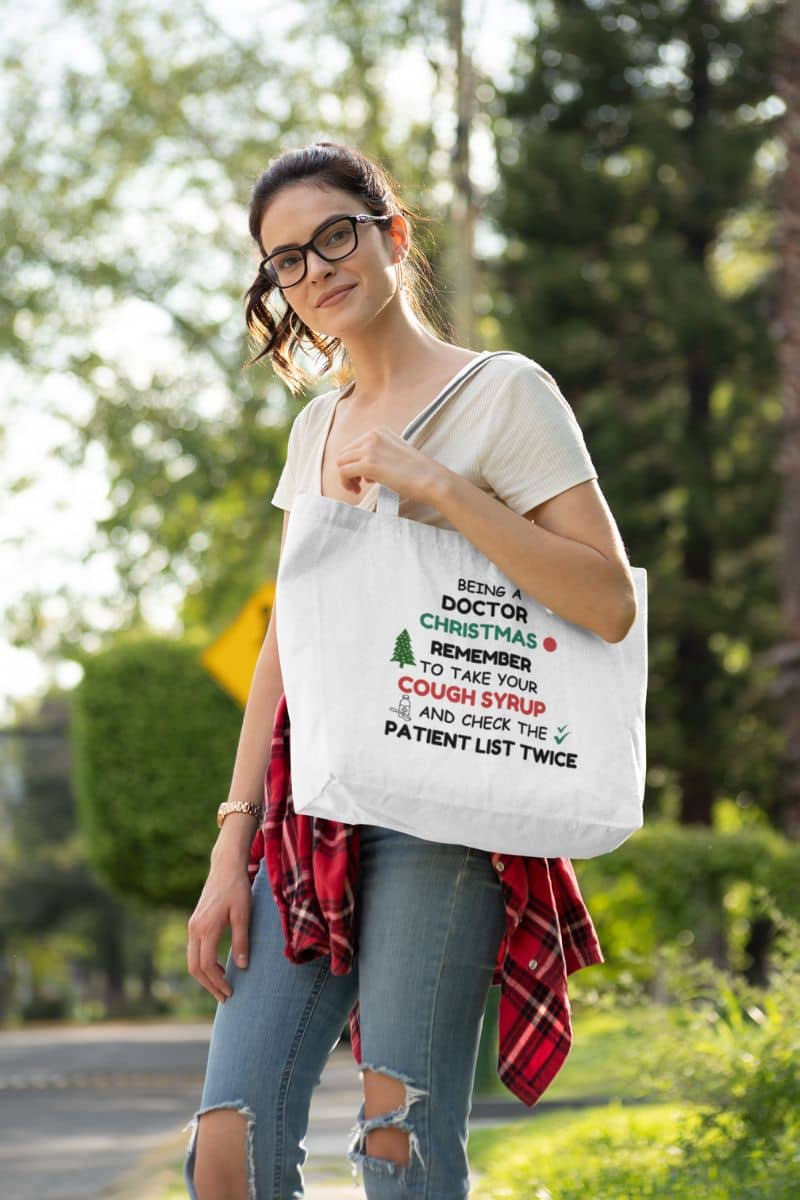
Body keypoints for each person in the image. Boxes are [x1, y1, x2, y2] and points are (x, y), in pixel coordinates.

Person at [183, 139, 636, 1200]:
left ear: (389, 232)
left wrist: (439, 490)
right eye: (284, 261)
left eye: (333, 235)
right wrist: (229, 844)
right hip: (307, 816)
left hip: (448, 802)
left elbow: (605, 602)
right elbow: (287, 641)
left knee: (399, 1148)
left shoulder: (504, 394)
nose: (314, 271)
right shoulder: (315, 428)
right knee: (226, 1153)